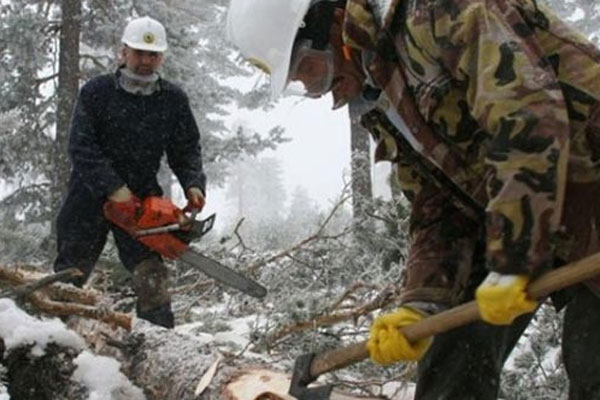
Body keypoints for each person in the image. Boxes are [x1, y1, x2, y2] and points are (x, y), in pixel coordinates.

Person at [226, 0, 600, 398]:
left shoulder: (443, 12)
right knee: (452, 361)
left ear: (335, 23)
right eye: (300, 82)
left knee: (592, 365)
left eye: (308, 69)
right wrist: (421, 301)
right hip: (529, 209)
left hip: (586, 193)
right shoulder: (383, 95)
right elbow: (437, 200)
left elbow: (528, 118)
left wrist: (514, 254)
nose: (315, 91)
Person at [54, 16, 206, 329]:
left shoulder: (172, 99)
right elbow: (80, 146)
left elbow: (186, 148)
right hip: (88, 195)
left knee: (151, 276)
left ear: (162, 57)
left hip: (142, 198)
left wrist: (193, 183)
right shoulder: (96, 92)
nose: (145, 61)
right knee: (70, 276)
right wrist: (112, 187)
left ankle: (158, 340)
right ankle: (52, 340)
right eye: (139, 53)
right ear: (123, 52)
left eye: (153, 55)